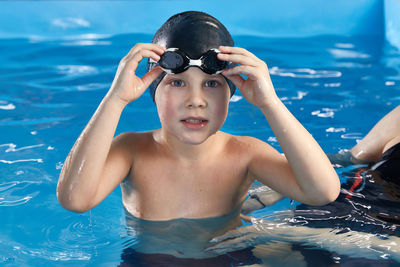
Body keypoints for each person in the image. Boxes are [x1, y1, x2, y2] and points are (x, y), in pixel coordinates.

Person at [56, 11, 339, 260]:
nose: (196, 100)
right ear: (153, 90)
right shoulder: (131, 151)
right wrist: (115, 99)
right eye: (177, 82)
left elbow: (322, 192)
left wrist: (270, 103)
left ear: (231, 93)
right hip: (149, 260)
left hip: (229, 256)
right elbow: (75, 200)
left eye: (212, 84)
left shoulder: (245, 153)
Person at [239, 105, 400, 265]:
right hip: (333, 208)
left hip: (374, 248)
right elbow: (348, 159)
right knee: (231, 249)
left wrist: (279, 231)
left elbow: (392, 248)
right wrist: (278, 187)